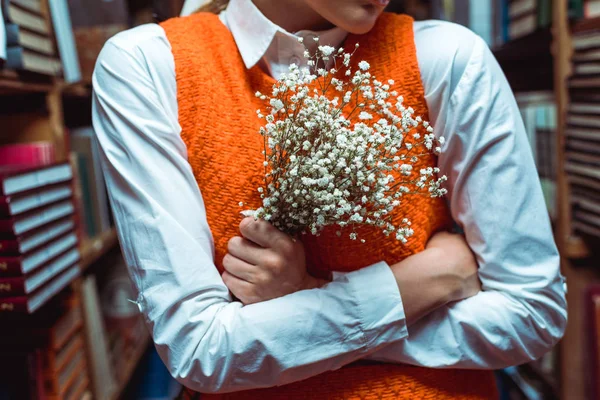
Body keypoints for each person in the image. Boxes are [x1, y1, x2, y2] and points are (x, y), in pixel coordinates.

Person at [91, 0, 568, 398]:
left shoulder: (446, 57)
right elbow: (200, 349)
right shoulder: (149, 66)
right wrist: (420, 287)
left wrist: (311, 298)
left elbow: (533, 315)